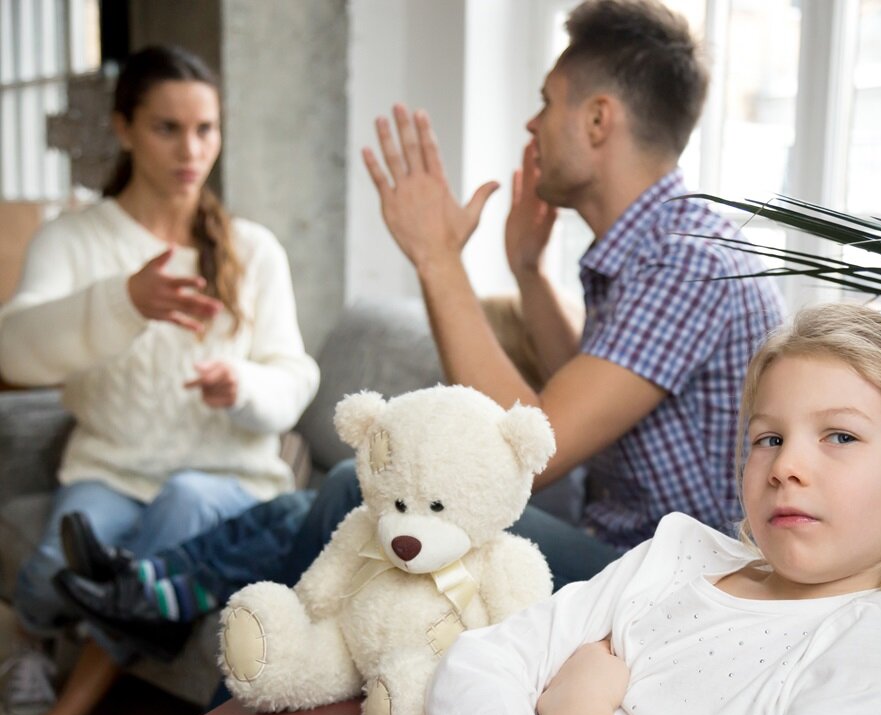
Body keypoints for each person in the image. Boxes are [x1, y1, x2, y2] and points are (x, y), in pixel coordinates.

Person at [76, 302, 881, 715]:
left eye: (839, 437)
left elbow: (535, 693)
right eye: (767, 436)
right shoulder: (677, 555)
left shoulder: (859, 675)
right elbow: (479, 669)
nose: (788, 464)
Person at [51, 0, 785, 656]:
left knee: (365, 492)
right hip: (628, 554)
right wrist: (528, 272)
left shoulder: (686, 263)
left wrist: (437, 258)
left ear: (597, 120)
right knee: (363, 502)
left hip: (664, 592)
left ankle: (207, 646)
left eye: (546, 102)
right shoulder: (662, 249)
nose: (532, 124)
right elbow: (596, 399)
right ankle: (171, 587)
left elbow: (540, 450)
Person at [0, 45, 319, 715]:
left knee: (179, 509)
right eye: (167, 128)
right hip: (112, 467)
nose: (191, 150)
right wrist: (122, 303)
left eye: (206, 129)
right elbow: (13, 350)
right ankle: (30, 635)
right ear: (124, 128)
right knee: (53, 568)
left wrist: (243, 383)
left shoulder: (253, 249)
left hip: (228, 477)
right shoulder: (75, 240)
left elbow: (295, 378)